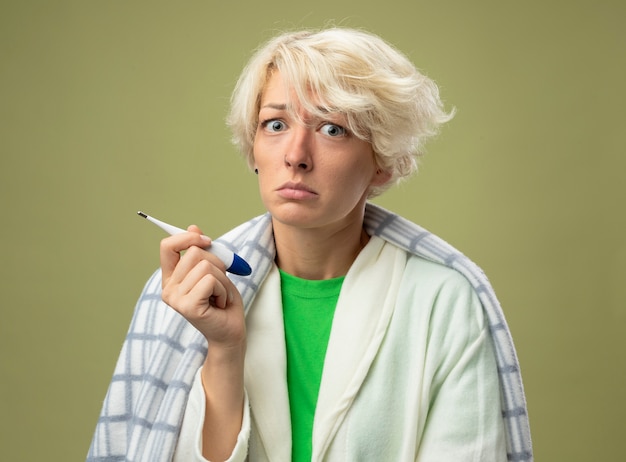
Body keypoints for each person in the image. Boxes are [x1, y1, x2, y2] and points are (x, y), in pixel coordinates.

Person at [87, 28, 532, 461]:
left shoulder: (445, 302)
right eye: (275, 124)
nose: (296, 154)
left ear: (382, 162)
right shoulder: (187, 295)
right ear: (254, 148)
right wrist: (224, 349)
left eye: (333, 129)